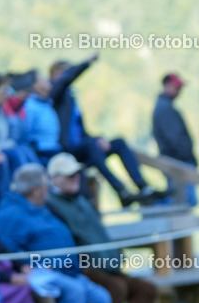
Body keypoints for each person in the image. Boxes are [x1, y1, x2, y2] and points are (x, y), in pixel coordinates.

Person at [0, 165, 117, 303]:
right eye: (45, 184)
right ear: (35, 189)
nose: (48, 189)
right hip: (41, 271)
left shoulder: (44, 208)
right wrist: (24, 264)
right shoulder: (11, 214)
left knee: (100, 297)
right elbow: (8, 248)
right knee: (75, 292)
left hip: (67, 269)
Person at [45, 153, 157, 303]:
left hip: (109, 266)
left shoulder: (83, 201)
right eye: (69, 176)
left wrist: (116, 256)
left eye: (77, 174)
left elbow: (100, 235)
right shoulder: (51, 206)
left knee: (146, 289)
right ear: (55, 179)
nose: (76, 179)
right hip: (85, 268)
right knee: (116, 288)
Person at [50, 56, 162, 206]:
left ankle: (143, 186)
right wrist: (85, 63)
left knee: (118, 143)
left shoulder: (71, 99)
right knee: (92, 146)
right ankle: (121, 190)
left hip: (82, 146)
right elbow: (64, 81)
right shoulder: (55, 95)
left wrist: (98, 139)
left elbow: (81, 131)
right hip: (66, 149)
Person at [152, 73, 197, 206]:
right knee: (185, 202)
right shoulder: (165, 108)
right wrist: (188, 157)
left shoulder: (165, 106)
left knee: (184, 201)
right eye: (175, 87)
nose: (178, 91)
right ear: (166, 85)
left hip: (177, 161)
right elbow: (175, 139)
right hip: (178, 162)